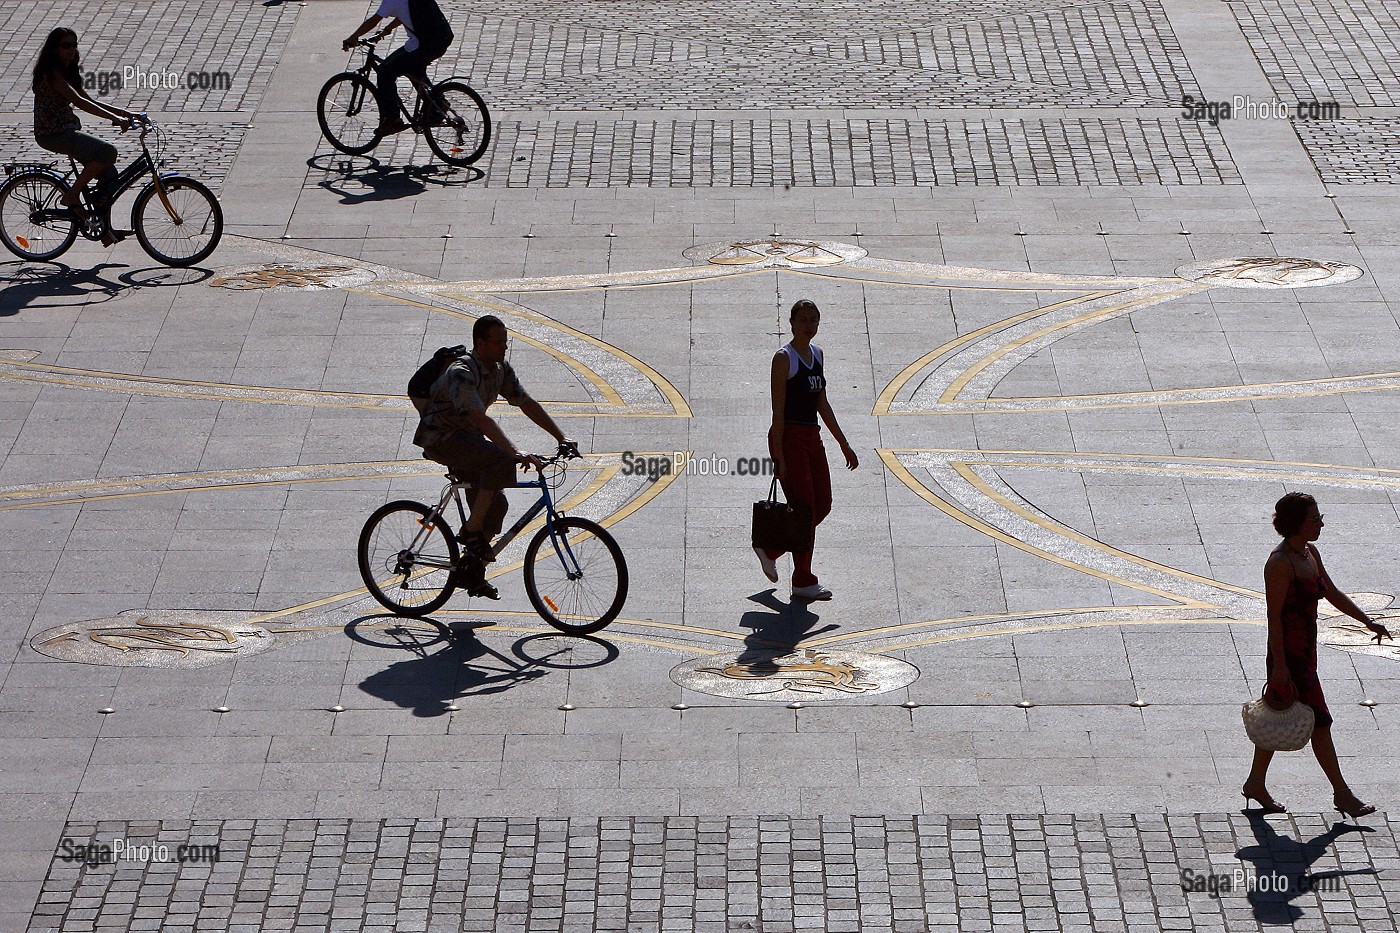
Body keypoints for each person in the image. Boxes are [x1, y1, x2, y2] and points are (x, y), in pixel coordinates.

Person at [1242, 492, 1392, 818]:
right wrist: (1280, 667)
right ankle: (1343, 794)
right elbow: (1274, 617)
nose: (1321, 522)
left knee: (1278, 711)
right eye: (1314, 518)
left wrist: (1367, 621)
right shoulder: (1280, 564)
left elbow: (1333, 593)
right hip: (1289, 658)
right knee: (1320, 722)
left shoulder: (1309, 554)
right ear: (1297, 523)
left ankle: (1255, 782)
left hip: (1305, 654)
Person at [413, 315, 574, 599]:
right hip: (442, 439)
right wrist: (514, 451)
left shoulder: (499, 370)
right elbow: (481, 419)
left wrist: (561, 437)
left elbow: (526, 402)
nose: (504, 347)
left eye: (506, 342)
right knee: (499, 460)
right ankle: (471, 530)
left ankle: (472, 572)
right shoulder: (461, 372)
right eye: (498, 342)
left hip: (468, 440)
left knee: (496, 506)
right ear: (481, 343)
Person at [756, 299, 859, 601]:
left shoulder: (817, 355)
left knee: (822, 505)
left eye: (814, 320)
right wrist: (779, 456)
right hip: (790, 437)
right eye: (803, 320)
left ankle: (771, 547)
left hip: (812, 438)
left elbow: (821, 403)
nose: (808, 325)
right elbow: (778, 413)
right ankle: (803, 579)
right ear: (791, 322)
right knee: (805, 510)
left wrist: (843, 442)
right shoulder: (783, 359)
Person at [31, 28, 138, 246]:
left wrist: (125, 113)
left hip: (67, 130)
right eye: (65, 46)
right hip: (52, 134)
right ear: (54, 49)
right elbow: (79, 103)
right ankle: (71, 195)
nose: (71, 49)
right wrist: (115, 119)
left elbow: (88, 99)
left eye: (74, 44)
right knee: (108, 151)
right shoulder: (51, 73)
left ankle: (105, 231)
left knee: (109, 176)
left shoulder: (68, 69)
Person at [342, 0, 453, 138]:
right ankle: (437, 103)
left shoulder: (391, 1)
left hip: (422, 45)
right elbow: (405, 14)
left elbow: (373, 21)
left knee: (385, 72)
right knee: (412, 68)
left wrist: (352, 38)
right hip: (441, 39)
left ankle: (393, 119)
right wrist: (386, 31)